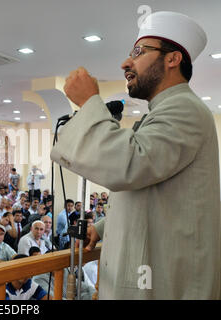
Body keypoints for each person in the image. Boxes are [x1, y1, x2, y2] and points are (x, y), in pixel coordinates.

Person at [51, 11, 220, 299]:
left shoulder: (184, 109)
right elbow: (151, 190)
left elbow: (125, 165)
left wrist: (90, 102)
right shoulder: (166, 111)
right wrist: (103, 228)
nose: (126, 63)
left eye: (139, 52)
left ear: (172, 59)